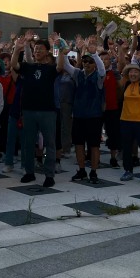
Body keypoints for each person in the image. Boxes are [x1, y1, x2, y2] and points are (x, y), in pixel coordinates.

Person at [11, 32, 59, 187]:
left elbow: (61, 66)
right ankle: (29, 172)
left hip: (47, 111)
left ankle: (49, 175)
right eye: (35, 49)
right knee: (28, 142)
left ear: (47, 51)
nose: (37, 51)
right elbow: (14, 65)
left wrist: (60, 49)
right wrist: (17, 50)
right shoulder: (28, 67)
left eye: (40, 49)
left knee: (49, 143)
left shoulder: (51, 69)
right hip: (29, 110)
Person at [57, 37, 105, 184]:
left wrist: (94, 54)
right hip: (78, 115)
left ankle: (94, 172)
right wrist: (63, 52)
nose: (86, 64)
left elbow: (102, 69)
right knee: (78, 144)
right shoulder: (78, 74)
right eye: (84, 61)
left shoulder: (99, 76)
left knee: (94, 145)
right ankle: (82, 170)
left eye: (89, 62)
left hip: (94, 116)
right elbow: (66, 65)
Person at [118, 62, 140, 184]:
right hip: (126, 120)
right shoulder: (125, 83)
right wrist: (128, 68)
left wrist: (139, 61)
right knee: (127, 147)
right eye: (131, 72)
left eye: (136, 72)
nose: (133, 74)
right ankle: (128, 170)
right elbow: (122, 75)